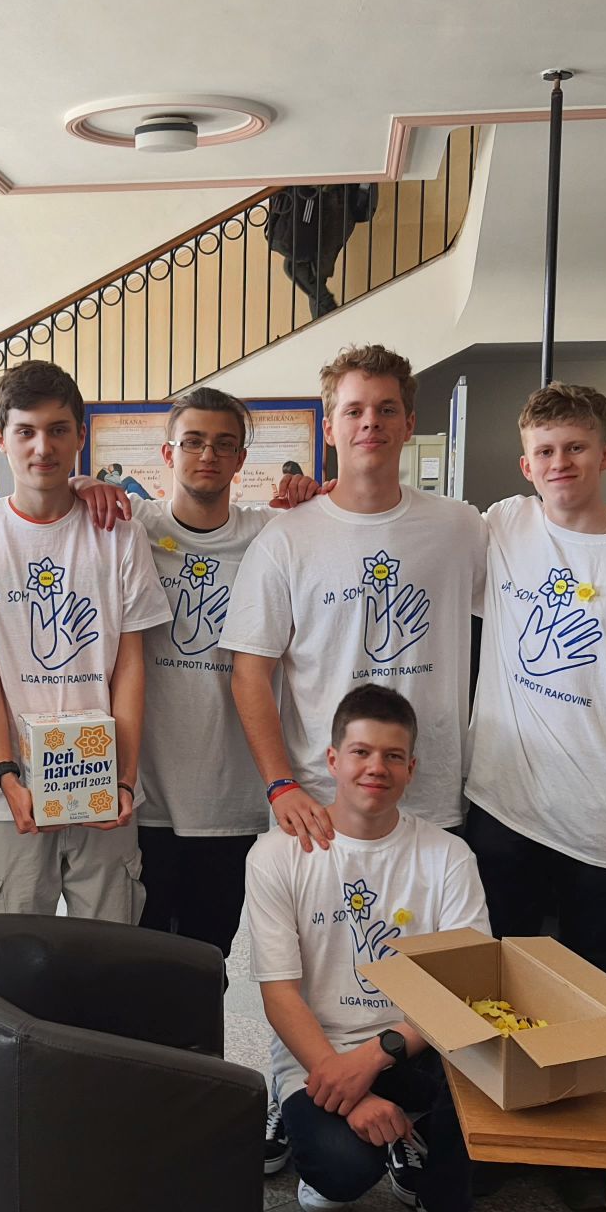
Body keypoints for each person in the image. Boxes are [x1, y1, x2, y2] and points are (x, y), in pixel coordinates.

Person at [245, 684, 491, 1212]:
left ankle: (444, 1209)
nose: (375, 767)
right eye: (360, 752)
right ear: (333, 760)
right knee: (338, 1175)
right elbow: (280, 994)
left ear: (412, 768)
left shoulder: (448, 855)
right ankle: (340, 1128)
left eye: (392, 756)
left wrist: (377, 1056)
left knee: (488, 1071)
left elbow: (463, 990)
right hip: (320, 1051)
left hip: (416, 1041)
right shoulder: (276, 855)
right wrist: (350, 1091)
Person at [463, 384, 606, 982]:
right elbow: (401, 526)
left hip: (602, 818)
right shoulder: (504, 524)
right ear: (526, 465)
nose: (559, 463)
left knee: (598, 992)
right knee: (495, 984)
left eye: (575, 447)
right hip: (501, 805)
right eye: (544, 451)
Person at [0, 361, 171, 919]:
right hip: (11, 794)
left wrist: (124, 779)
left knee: (108, 945)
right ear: (1, 439)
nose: (43, 447)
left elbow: (130, 666)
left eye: (58, 430)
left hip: (102, 782)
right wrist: (6, 776)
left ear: (81, 436)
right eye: (26, 431)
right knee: (12, 951)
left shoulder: (120, 535)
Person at [225, 344, 487, 849]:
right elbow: (250, 672)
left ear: (409, 425)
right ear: (329, 429)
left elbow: (540, 566)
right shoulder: (285, 539)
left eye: (387, 409)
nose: (371, 422)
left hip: (430, 798)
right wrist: (280, 785)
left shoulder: (461, 527)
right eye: (354, 411)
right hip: (318, 804)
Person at [121, 387, 319, 953]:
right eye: (193, 442)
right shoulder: (129, 523)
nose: (207, 455)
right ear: (168, 454)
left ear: (240, 459)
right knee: (136, 957)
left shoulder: (273, 532)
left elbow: (336, 513)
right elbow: (61, 498)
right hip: (142, 793)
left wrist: (312, 493)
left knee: (208, 956)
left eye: (223, 444)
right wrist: (85, 485)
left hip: (228, 799)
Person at [266, 183, 377, 318]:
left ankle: (328, 311)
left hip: (337, 208)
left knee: (299, 268)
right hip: (325, 207)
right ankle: (325, 317)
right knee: (310, 273)